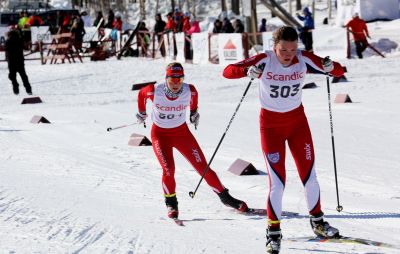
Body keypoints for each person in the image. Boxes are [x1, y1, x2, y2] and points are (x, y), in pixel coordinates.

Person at [222, 26, 344, 254]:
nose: (288, 54)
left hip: (298, 124)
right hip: (271, 128)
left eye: (292, 49)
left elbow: (337, 71)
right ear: (273, 46)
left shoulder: (303, 58)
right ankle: (274, 232)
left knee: (310, 176)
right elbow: (227, 71)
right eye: (283, 50)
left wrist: (330, 66)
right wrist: (248, 72)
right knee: (277, 183)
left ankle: (318, 223)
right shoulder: (264, 59)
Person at [136, 62, 248, 219]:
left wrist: (194, 114)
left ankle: (226, 198)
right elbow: (141, 95)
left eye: (179, 80)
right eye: (172, 80)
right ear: (166, 78)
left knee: (203, 168)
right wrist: (141, 112)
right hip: (160, 135)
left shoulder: (191, 91)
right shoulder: (154, 91)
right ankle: (171, 204)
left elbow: (194, 103)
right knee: (168, 170)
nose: (176, 84)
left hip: (182, 134)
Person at [5, 29, 32, 95]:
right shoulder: (20, 40)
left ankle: (16, 89)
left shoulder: (8, 41)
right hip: (20, 60)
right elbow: (25, 48)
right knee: (23, 76)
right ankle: (28, 90)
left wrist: (7, 58)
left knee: (12, 76)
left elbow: (7, 50)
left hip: (11, 61)